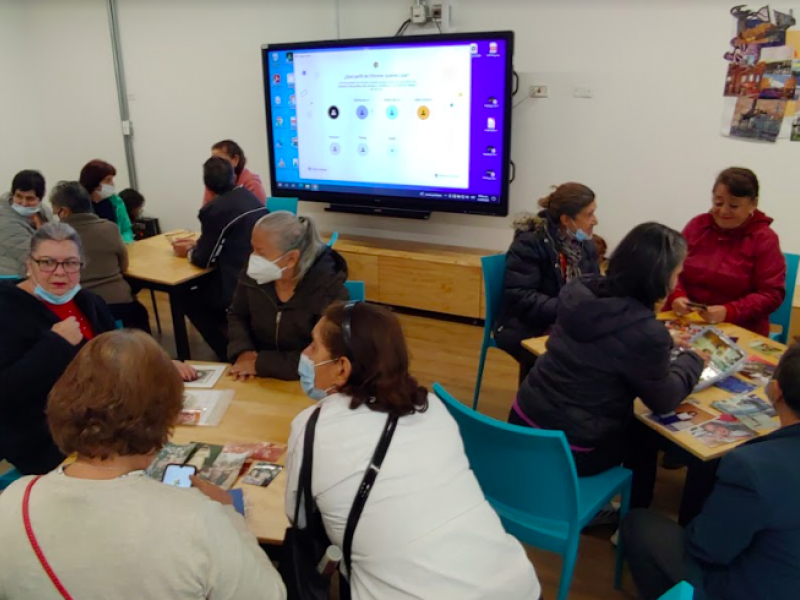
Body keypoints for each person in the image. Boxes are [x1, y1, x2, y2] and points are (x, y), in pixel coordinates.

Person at [0, 330, 287, 600]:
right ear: (167, 414)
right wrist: (229, 515)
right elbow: (270, 594)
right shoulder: (198, 519)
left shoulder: (14, 500)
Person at [285, 302, 541, 599]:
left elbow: (299, 517)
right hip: (515, 584)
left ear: (342, 368)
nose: (305, 354)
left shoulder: (312, 428)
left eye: (314, 348)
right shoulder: (431, 407)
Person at [510, 223, 705, 509]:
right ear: (661, 278)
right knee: (644, 432)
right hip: (572, 450)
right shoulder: (647, 333)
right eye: (677, 273)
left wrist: (665, 341)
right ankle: (631, 517)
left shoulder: (580, 291)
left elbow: (612, 342)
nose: (677, 281)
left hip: (523, 424)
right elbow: (664, 398)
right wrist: (693, 361)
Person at [0, 223, 197, 475]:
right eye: (47, 262)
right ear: (29, 264)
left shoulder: (88, 302)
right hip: (46, 438)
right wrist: (54, 345)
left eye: (70, 263)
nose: (60, 273)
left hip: (105, 424)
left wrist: (158, 364)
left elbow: (118, 353)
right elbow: (6, 391)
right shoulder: (7, 309)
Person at [621, 343, 800, 600]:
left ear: (776, 390)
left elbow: (707, 549)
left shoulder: (752, 467)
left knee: (638, 523)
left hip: (748, 586)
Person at [664, 168, 785, 336]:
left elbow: (771, 294)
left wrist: (730, 311)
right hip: (685, 321)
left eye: (733, 206)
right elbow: (671, 269)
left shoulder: (764, 239)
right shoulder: (697, 226)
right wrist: (676, 296)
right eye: (718, 203)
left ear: (753, 204)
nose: (723, 211)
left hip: (738, 328)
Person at [227, 212, 348, 381]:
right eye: (252, 249)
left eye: (261, 253)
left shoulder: (328, 290)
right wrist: (243, 351)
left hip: (307, 382)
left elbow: (325, 355)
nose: (253, 258)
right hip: (255, 376)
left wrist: (261, 364)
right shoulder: (254, 276)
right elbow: (237, 314)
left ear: (291, 259)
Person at [496, 182, 600, 366]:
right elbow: (521, 297)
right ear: (566, 220)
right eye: (589, 214)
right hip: (527, 326)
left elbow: (595, 285)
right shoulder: (529, 244)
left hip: (567, 321)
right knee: (581, 359)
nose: (595, 220)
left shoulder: (586, 245)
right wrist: (569, 309)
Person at [173, 157, 267, 359]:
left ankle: (224, 352)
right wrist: (198, 246)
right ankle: (235, 338)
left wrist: (189, 252)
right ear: (234, 176)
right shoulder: (249, 197)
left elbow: (203, 260)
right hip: (261, 277)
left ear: (207, 185)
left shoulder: (213, 210)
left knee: (185, 296)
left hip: (235, 283)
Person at [50, 181, 151, 332]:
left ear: (64, 212)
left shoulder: (54, 238)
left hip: (81, 307)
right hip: (120, 303)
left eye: (55, 211)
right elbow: (123, 266)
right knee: (140, 313)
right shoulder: (110, 228)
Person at [0, 170, 52, 279]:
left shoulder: (44, 213)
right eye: (19, 196)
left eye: (30, 198)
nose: (23, 203)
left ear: (40, 199)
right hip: (11, 280)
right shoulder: (4, 220)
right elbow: (35, 254)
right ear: (12, 194)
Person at [79, 159, 134, 244]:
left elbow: (126, 229)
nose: (112, 184)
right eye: (108, 180)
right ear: (94, 182)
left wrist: (125, 243)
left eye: (112, 180)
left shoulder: (116, 201)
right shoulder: (78, 206)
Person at [202, 140, 267, 206]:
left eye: (220, 160)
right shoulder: (213, 182)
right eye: (213, 160)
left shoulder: (252, 184)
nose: (215, 164)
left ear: (235, 159)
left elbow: (255, 214)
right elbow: (206, 212)